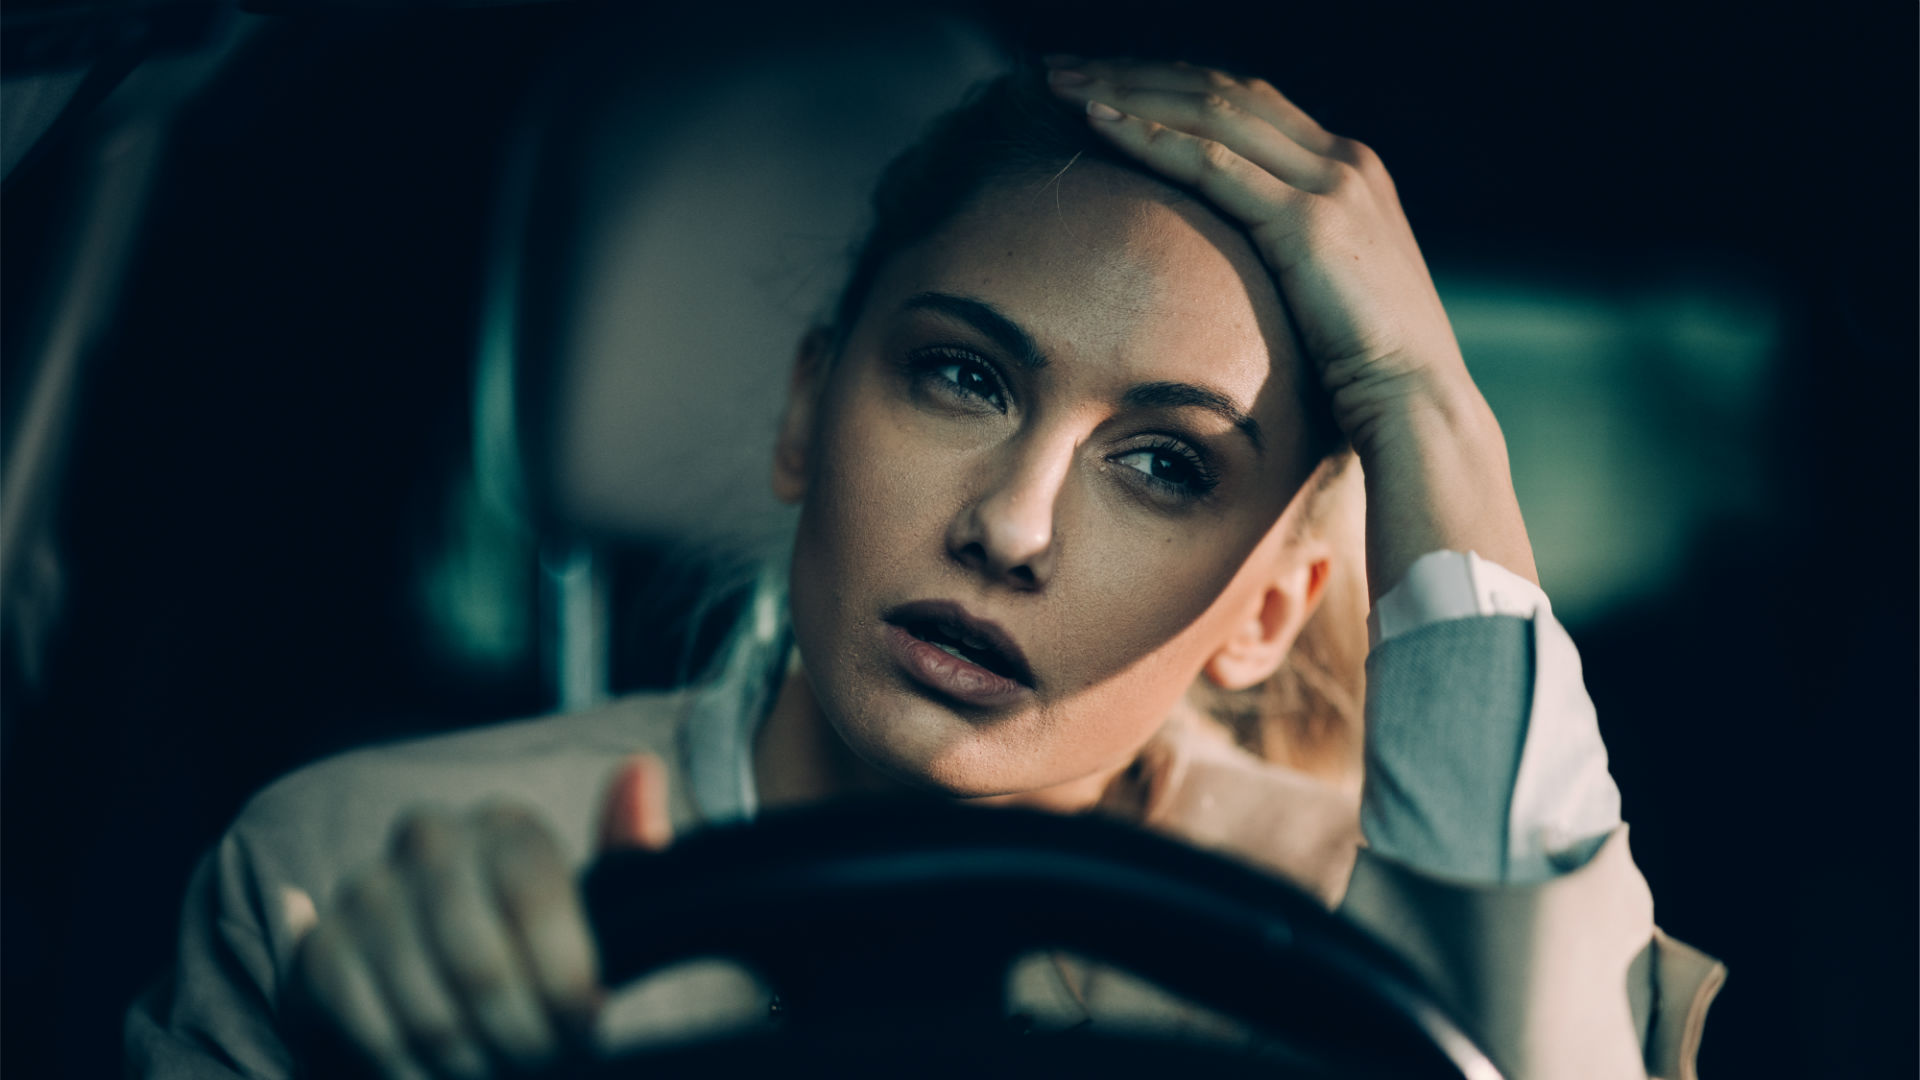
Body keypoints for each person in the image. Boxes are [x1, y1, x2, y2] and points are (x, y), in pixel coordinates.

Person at [126, 56, 1725, 1080]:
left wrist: (1432, 409)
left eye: (1164, 467)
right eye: (964, 378)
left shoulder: (1393, 954)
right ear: (811, 411)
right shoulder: (337, 881)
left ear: (1267, 613)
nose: (1013, 526)